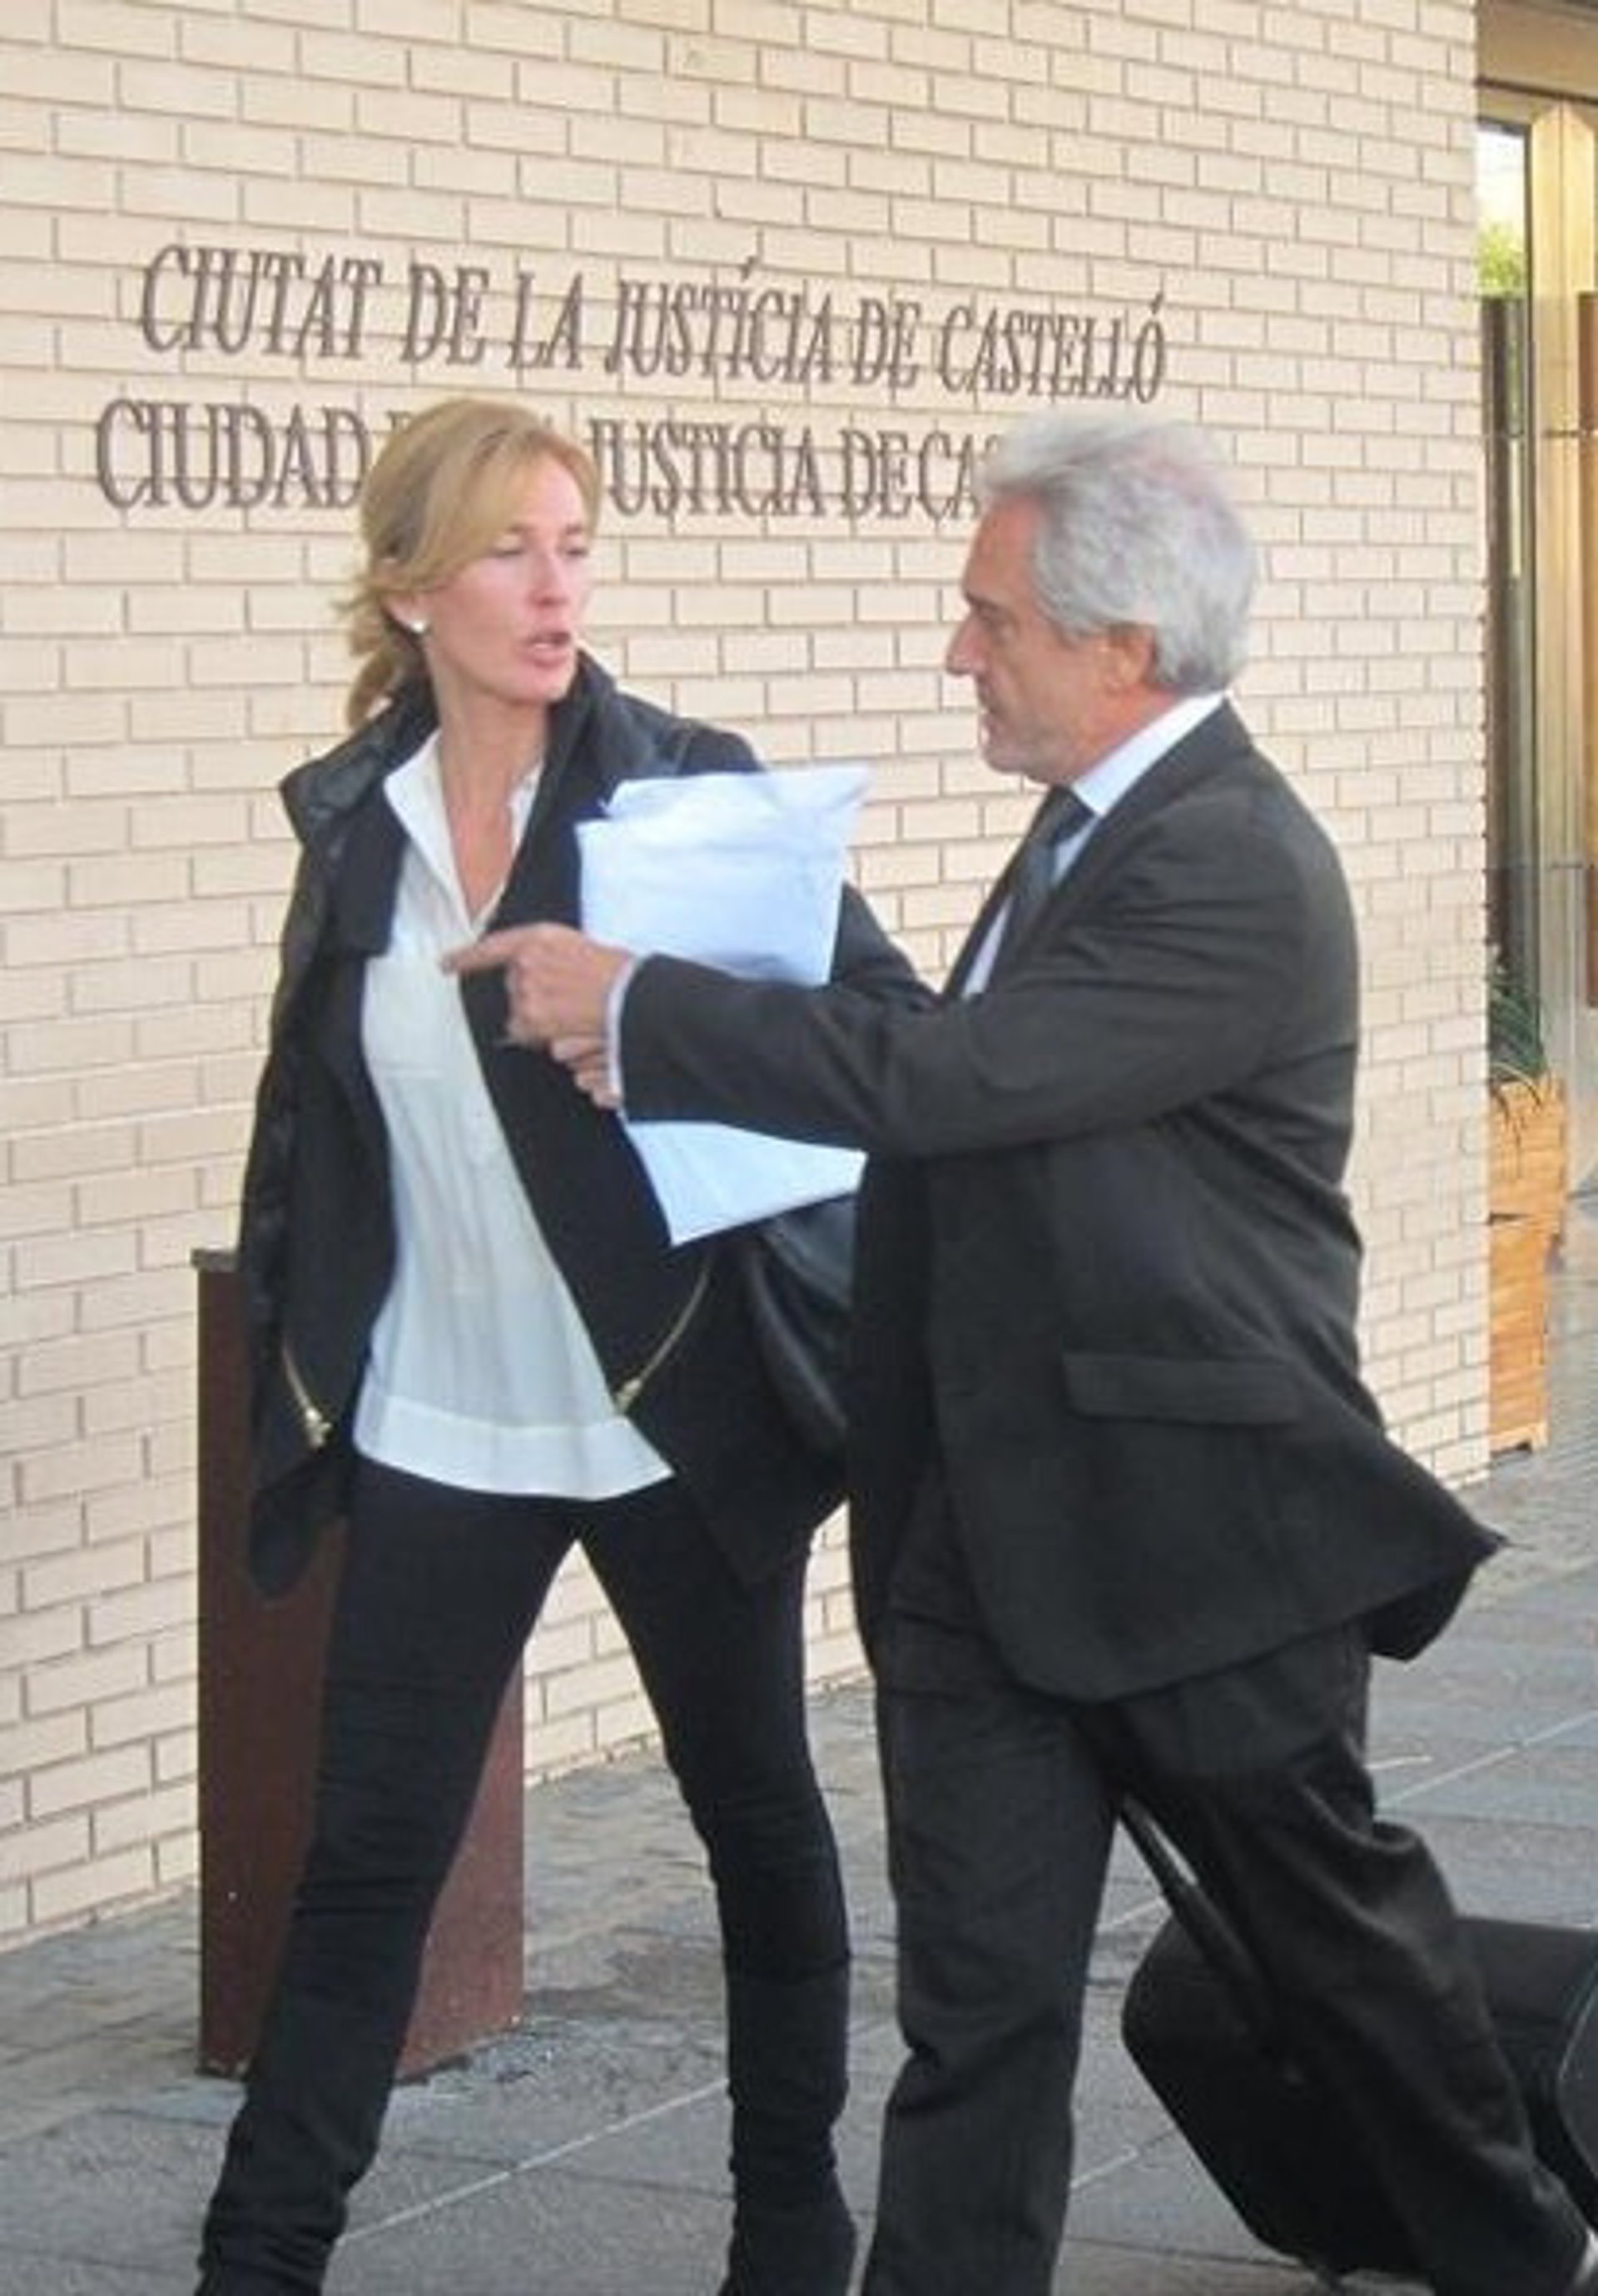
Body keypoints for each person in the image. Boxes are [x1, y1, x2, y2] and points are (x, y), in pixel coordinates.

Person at [459, 409, 1598, 2296]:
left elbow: (958, 1082)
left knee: (1342, 1959)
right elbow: (940, 1076)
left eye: (991, 619)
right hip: (978, 1551)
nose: (956, 653)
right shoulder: (1083, 835)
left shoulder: (1232, 857)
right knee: (977, 2020)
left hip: (1206, 1546)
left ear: (1121, 643)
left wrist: (652, 1009)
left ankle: (1519, 2253)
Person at [195, 394, 923, 2296]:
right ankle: (254, 2263)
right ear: (410, 588)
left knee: (755, 1821)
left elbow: (887, 1038)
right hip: (443, 1419)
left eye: (574, 546)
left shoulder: (680, 798)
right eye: (510, 549)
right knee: (366, 1862)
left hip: (667, 1409)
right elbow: (318, 1124)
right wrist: (301, 1363)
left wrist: (659, 1028)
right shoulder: (355, 828)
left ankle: (789, 2235)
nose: (554, 588)